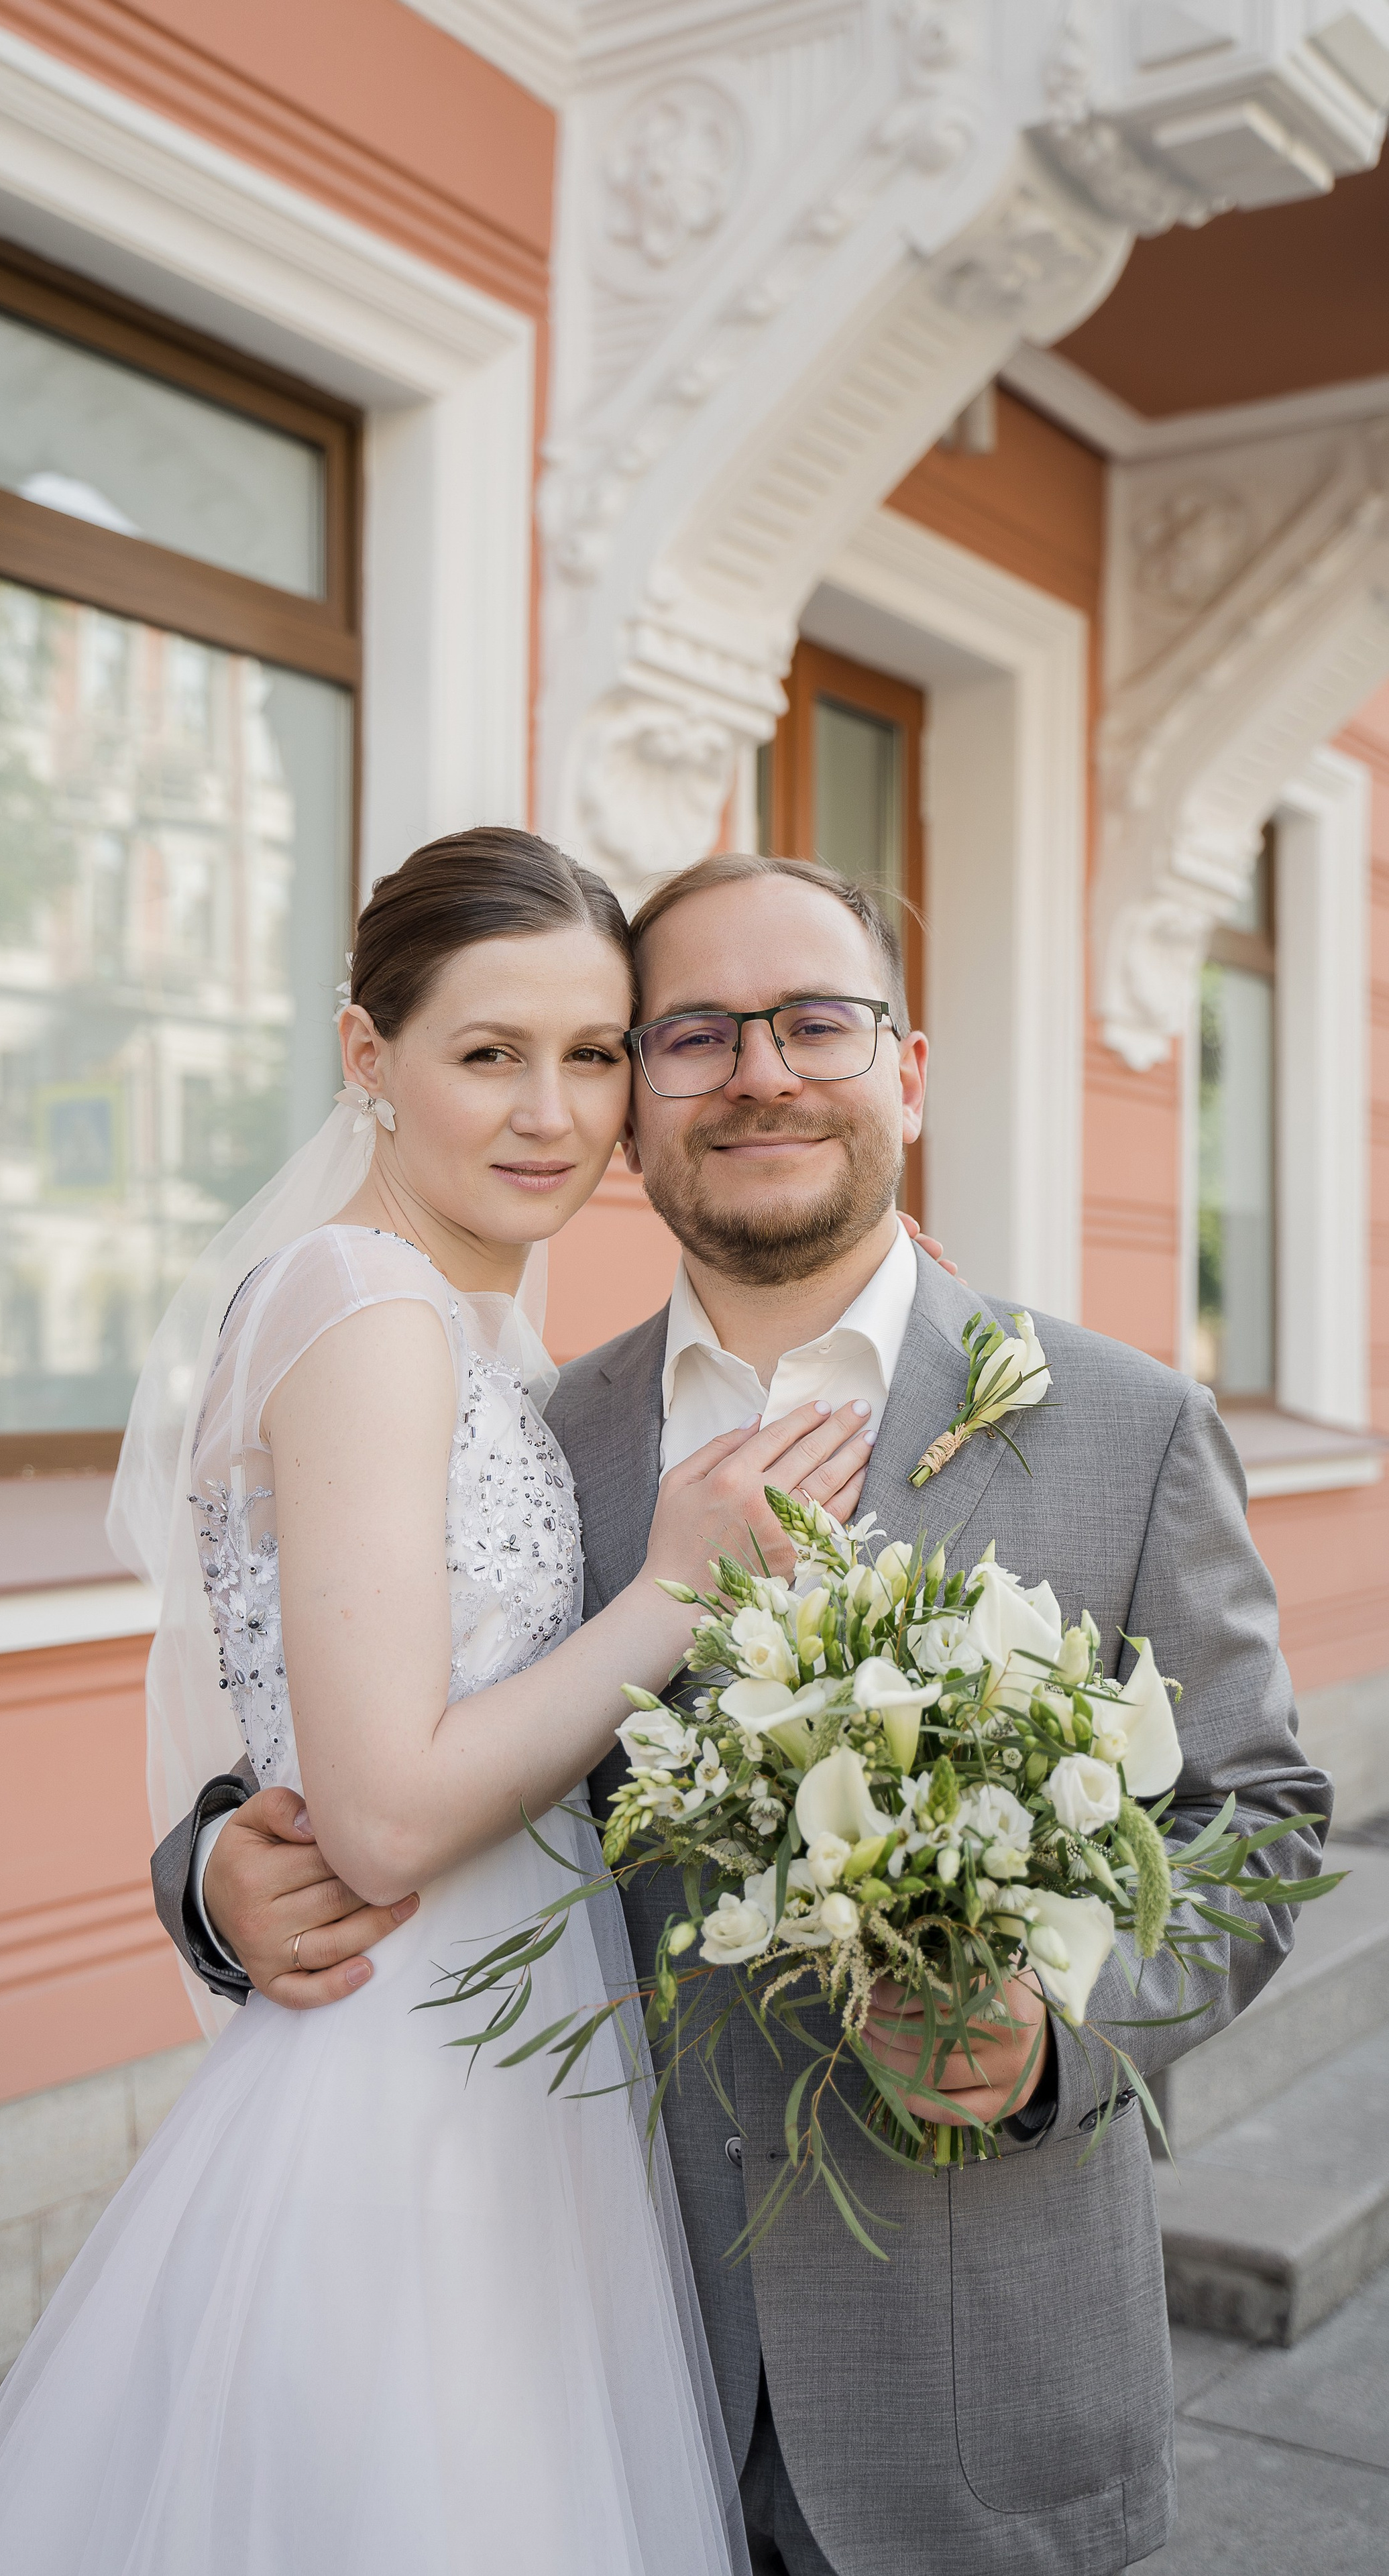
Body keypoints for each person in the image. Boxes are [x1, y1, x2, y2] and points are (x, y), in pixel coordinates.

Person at [162, 851, 1332, 2576]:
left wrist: (1052, 2034)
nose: (762, 1069)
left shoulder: (1119, 1421)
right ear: (634, 1108)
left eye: (815, 1021)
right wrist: (210, 1882)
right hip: (587, 2379)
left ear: (907, 1071)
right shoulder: (534, 1438)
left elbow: (1254, 1819)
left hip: (967, 2406)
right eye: (694, 1034)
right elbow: (351, 1737)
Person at [0, 829, 915, 2576]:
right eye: (487, 1053)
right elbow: (373, 1813)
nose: (552, 1112)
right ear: (369, 1057)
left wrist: (230, 1848)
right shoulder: (362, 1306)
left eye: (594, 1054)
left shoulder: (494, 1348)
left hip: (525, 2055)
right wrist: (683, 1580)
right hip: (416, 2059)